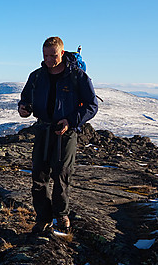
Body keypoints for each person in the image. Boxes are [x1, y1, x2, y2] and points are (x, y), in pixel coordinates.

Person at [18, 36, 98, 233]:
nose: (49, 60)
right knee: (39, 175)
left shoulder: (77, 77)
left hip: (67, 132)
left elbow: (91, 106)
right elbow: (25, 98)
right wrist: (23, 108)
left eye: (53, 55)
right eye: (45, 55)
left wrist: (70, 121)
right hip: (43, 129)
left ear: (62, 53)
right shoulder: (36, 76)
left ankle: (61, 215)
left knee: (62, 173)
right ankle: (43, 218)